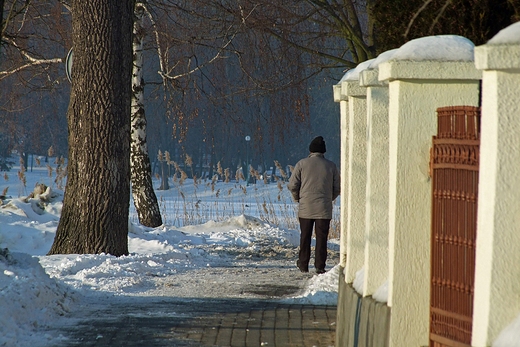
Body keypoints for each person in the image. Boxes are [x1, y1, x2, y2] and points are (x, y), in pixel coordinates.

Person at [288, 136, 340, 274]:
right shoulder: (331, 166)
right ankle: (320, 266)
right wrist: (328, 198)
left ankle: (303, 263)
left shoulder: (301, 164)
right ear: (323, 151)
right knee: (322, 238)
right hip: (324, 208)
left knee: (305, 236)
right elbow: (337, 188)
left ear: (310, 150)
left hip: (306, 207)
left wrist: (298, 198)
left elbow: (293, 185)